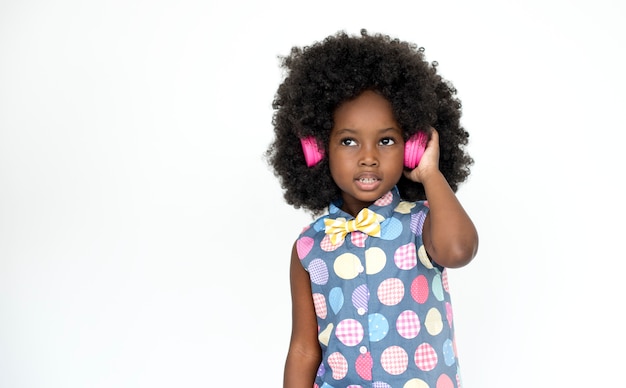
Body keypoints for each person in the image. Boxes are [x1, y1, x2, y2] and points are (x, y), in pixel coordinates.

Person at [266, 29, 479, 388]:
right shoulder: (309, 246)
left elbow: (458, 250)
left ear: (412, 145)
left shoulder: (422, 223)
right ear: (318, 148)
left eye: (387, 140)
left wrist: (429, 173)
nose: (368, 157)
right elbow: (304, 348)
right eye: (349, 141)